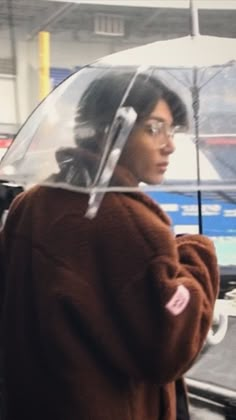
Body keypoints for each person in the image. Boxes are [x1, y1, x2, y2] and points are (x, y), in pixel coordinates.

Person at [0, 70, 219, 420]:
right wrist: (197, 257)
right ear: (110, 132)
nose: (170, 144)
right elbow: (169, 349)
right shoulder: (128, 222)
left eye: (171, 130)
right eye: (153, 129)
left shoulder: (33, 203)